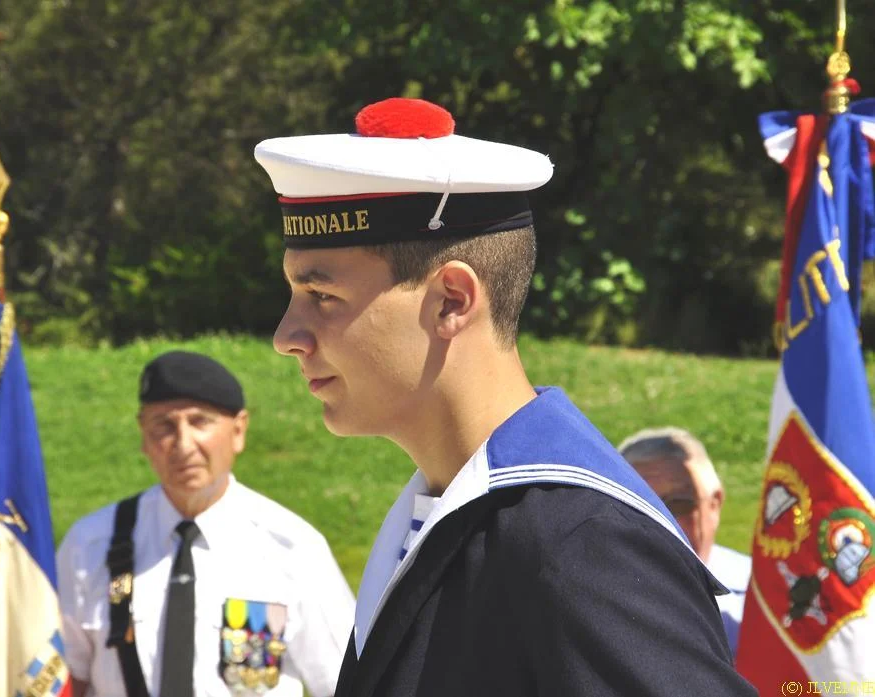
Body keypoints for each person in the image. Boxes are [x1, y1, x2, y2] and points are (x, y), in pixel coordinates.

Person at [254, 97, 757, 696]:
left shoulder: (581, 546)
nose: (287, 335)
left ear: (452, 302)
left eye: (321, 295)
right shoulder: (459, 519)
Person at [57, 351, 355, 697]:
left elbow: (348, 682)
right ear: (144, 436)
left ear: (238, 430)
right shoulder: (91, 544)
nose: (183, 445)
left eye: (200, 422)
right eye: (164, 426)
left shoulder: (291, 548)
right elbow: (65, 678)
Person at [619, 426, 752, 657]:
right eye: (640, 507)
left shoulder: (762, 602)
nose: (661, 523)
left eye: (678, 504)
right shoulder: (592, 596)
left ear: (714, 504)